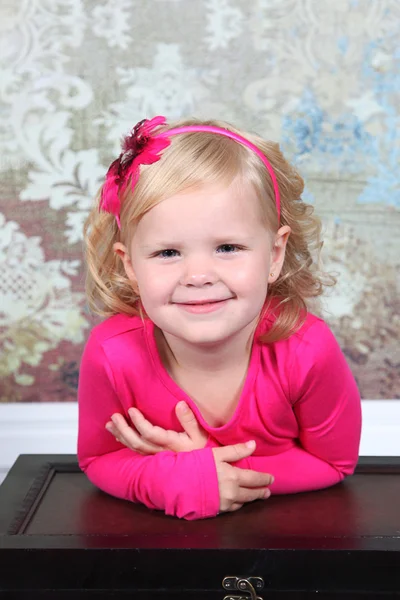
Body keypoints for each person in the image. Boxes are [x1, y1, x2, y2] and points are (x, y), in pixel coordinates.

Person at [78, 116, 362, 521]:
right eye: (168, 253)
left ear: (274, 255)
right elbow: (97, 458)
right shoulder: (112, 354)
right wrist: (167, 478)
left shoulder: (306, 351)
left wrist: (208, 468)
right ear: (130, 267)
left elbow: (335, 464)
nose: (198, 276)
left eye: (228, 247)